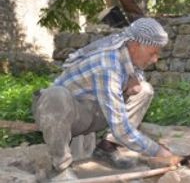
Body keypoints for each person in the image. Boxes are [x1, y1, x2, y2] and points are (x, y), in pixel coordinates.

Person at [32, 18, 179, 180]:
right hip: (59, 113)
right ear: (136, 45)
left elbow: (134, 79)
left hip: (90, 114)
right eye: (153, 53)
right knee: (55, 95)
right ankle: (59, 168)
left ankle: (107, 147)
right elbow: (121, 128)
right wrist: (159, 151)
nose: (155, 59)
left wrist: (133, 81)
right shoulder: (108, 64)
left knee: (144, 90)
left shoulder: (128, 57)